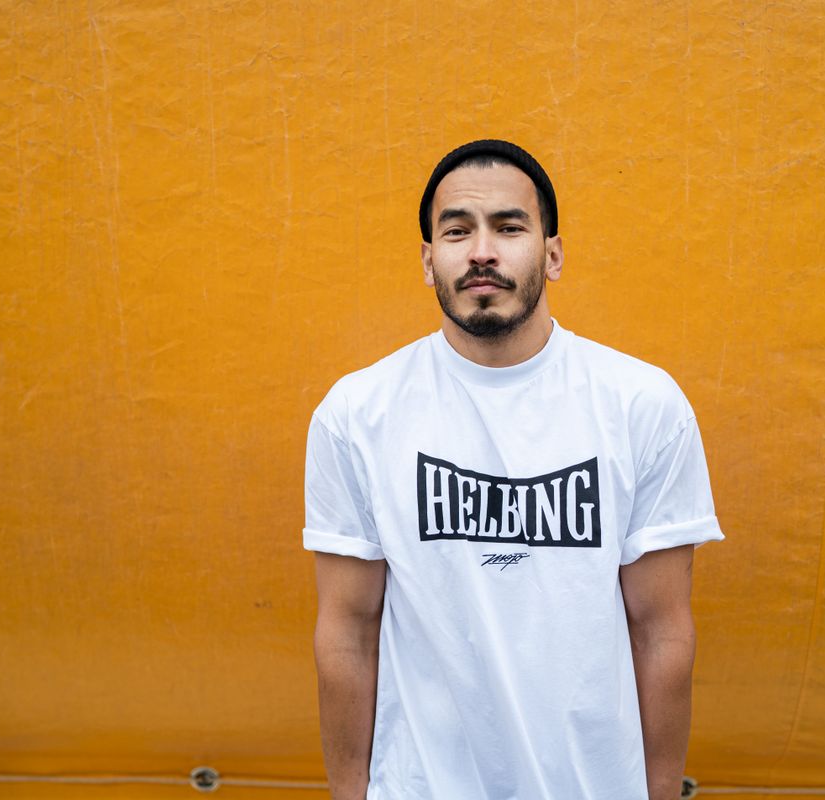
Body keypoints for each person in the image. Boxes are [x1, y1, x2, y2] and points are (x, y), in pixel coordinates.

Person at [304, 139, 725, 800]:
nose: (482, 251)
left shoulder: (641, 406)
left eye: (508, 227)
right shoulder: (357, 415)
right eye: (457, 231)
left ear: (552, 254)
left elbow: (661, 630)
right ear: (428, 260)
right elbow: (347, 633)